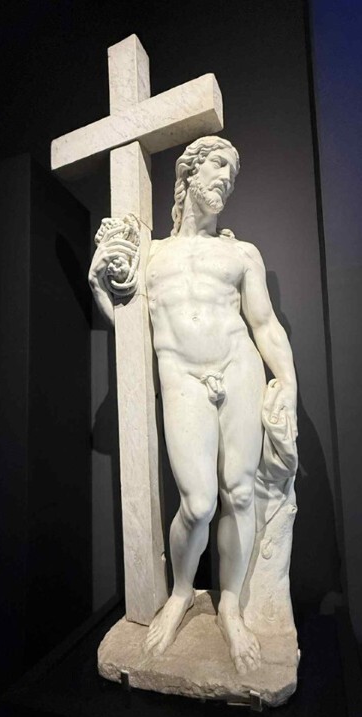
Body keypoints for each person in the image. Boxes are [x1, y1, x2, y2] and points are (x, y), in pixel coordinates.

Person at [89, 136, 297, 674]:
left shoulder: (241, 253)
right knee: (200, 502)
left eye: (233, 171)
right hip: (181, 375)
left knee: (240, 494)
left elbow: (265, 324)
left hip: (239, 366)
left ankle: (230, 606)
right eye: (218, 165)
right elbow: (130, 329)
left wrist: (288, 381)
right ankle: (182, 591)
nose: (226, 178)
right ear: (188, 174)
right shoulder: (152, 254)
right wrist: (100, 287)